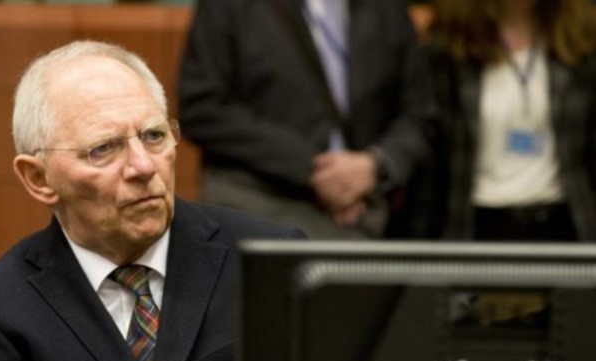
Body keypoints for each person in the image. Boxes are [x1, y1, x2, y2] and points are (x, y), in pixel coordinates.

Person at [0, 40, 302, 361]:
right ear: (38, 178)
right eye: (103, 148)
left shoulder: (270, 259)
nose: (143, 166)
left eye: (154, 136)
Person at [178, 0, 439, 240]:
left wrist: (373, 165)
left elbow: (420, 115)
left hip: (370, 209)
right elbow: (201, 108)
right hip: (259, 200)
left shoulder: (386, 8)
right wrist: (316, 169)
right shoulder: (228, 7)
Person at [427, 0, 596, 241]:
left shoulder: (579, 39)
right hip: (477, 220)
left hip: (561, 220)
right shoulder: (451, 43)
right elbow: (432, 148)